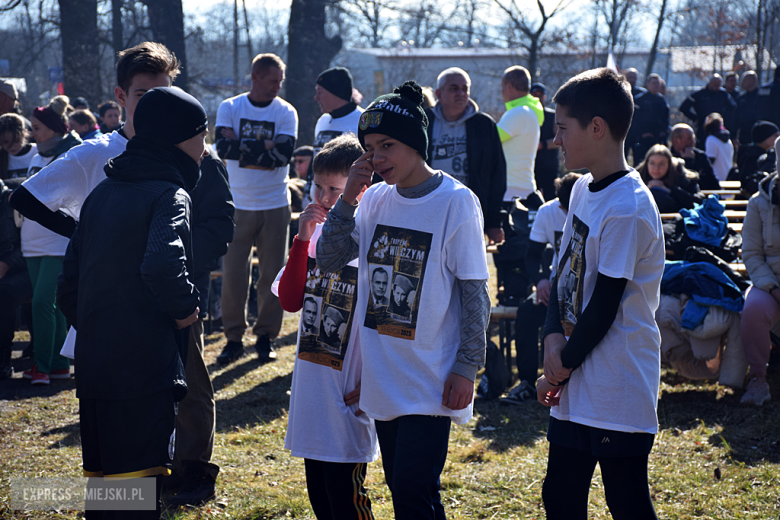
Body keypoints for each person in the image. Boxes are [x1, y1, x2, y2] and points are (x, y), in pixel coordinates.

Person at [316, 81, 490, 519]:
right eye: (370, 147)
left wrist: (467, 365)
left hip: (431, 380)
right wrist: (348, 199)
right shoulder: (373, 199)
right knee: (401, 487)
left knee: (415, 490)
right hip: (384, 376)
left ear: (417, 142)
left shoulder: (456, 201)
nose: (377, 158)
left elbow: (475, 291)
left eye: (388, 145)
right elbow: (332, 259)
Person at [57, 86, 205, 520]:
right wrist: (184, 311)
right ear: (179, 138)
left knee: (107, 496)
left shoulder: (103, 193)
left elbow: (67, 288)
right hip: (144, 374)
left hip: (96, 369)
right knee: (138, 494)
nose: (205, 146)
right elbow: (162, 263)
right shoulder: (168, 194)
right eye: (202, 134)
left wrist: (99, 329)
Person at [537, 67, 664, 520]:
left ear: (596, 128)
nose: (556, 140)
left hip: (617, 382)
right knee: (561, 495)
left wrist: (558, 370)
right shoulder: (584, 190)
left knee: (626, 501)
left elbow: (605, 305)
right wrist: (552, 340)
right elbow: (564, 276)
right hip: (577, 376)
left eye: (562, 128)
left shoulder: (628, 206)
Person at [272, 134, 377, 519]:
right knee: (319, 493)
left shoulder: (367, 237)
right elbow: (289, 300)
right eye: (319, 186)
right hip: (313, 386)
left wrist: (375, 379)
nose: (325, 197)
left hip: (349, 388)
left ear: (361, 190)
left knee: (347, 495)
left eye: (336, 188)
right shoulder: (312, 238)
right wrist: (301, 240)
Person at [11, 42, 181, 240]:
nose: (153, 105)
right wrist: (85, 237)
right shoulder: (95, 153)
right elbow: (24, 199)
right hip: (110, 270)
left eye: (162, 94)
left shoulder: (184, 150)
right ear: (121, 96)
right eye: (142, 95)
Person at [214, 53, 298, 364]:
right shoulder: (231, 107)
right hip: (238, 203)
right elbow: (222, 148)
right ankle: (233, 337)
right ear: (256, 78)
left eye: (281, 81)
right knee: (234, 274)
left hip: (275, 203)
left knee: (273, 274)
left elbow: (283, 156)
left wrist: (244, 145)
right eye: (273, 80)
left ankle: (265, 336)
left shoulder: (286, 111)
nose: (278, 86)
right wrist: (266, 145)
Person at [500, 173, 580, 406]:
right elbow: (533, 254)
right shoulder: (548, 211)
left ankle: (568, 382)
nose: (566, 212)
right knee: (526, 312)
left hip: (584, 290)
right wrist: (541, 280)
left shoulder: (594, 208)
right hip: (554, 287)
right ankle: (526, 381)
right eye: (563, 207)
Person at [19, 95, 82, 385]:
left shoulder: (71, 154)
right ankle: (58, 364)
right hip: (32, 242)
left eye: (38, 128)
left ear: (55, 129)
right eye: (32, 128)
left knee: (43, 302)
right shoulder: (36, 155)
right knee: (50, 306)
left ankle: (41, 366)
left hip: (58, 241)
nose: (34, 133)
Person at [425, 67, 507, 243]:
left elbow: (497, 174)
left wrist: (493, 221)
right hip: (428, 208)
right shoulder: (424, 122)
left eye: (465, 88)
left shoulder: (484, 125)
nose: (461, 93)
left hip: (468, 211)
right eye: (454, 88)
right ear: (439, 93)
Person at [740, 151, 780, 406]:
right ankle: (758, 378)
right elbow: (752, 254)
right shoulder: (758, 202)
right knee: (753, 308)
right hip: (770, 283)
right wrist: (773, 288)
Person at [0, 179, 33, 379]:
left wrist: (7, 263)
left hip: (24, 268)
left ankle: (3, 356)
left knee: (4, 292)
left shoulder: (15, 201)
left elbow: (33, 243)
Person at [497, 66, 543, 202]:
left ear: (509, 86)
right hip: (520, 188)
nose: (501, 91)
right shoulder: (527, 111)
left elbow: (489, 141)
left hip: (512, 191)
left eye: (502, 86)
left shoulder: (519, 113)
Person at [636, 144, 705, 213]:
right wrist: (646, 190)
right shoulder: (636, 179)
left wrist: (669, 190)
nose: (656, 168)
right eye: (652, 163)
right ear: (647, 164)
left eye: (662, 164)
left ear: (669, 165)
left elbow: (698, 201)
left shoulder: (683, 178)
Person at [680, 75, 737, 148]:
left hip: (718, 128)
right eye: (715, 85)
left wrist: (726, 120)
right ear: (710, 83)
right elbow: (683, 107)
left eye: (718, 85)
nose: (716, 87)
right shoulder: (699, 94)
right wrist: (695, 118)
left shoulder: (723, 94)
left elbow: (733, 107)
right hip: (703, 127)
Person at [530, 83, 561, 202]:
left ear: (545, 97)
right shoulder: (526, 115)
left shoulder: (552, 116)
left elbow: (559, 140)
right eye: (534, 95)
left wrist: (542, 145)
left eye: (540, 95)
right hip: (532, 167)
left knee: (551, 199)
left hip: (549, 167)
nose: (537, 98)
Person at [630, 74, 670, 165]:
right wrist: (641, 134)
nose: (656, 85)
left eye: (657, 83)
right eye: (653, 83)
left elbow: (666, 119)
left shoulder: (662, 100)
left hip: (658, 138)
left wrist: (664, 132)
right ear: (647, 84)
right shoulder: (639, 100)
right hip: (643, 139)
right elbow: (634, 121)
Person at [669, 123, 719, 189]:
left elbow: (714, 183)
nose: (693, 142)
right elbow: (683, 183)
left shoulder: (701, 156)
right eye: (689, 139)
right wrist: (688, 161)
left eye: (694, 138)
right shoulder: (668, 158)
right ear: (677, 141)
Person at [736, 120, 779, 187]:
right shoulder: (751, 157)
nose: (778, 139)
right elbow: (749, 183)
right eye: (775, 136)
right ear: (763, 137)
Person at [0, 113, 37, 179]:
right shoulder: (2, 158)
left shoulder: (37, 152)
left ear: (25, 133)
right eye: (6, 142)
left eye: (16, 141)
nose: (12, 146)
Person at [704, 112, 735, 182]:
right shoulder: (728, 140)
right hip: (728, 179)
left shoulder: (711, 139)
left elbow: (710, 161)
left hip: (717, 180)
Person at [736, 71, 760, 145]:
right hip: (744, 134)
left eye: (744, 80)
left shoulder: (760, 96)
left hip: (757, 132)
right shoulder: (741, 97)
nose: (742, 83)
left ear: (751, 81)